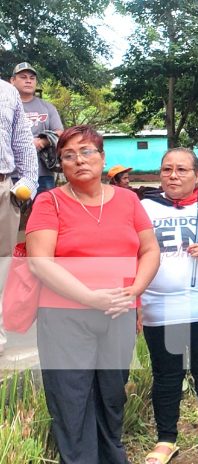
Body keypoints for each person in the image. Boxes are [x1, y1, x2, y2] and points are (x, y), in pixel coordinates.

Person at [25, 125, 160, 463]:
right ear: (61, 165)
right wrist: (90, 297)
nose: (78, 160)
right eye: (68, 155)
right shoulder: (49, 201)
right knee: (71, 399)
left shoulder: (128, 200)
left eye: (87, 152)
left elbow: (150, 250)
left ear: (102, 158)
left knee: (112, 395)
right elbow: (40, 262)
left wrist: (135, 290)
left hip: (117, 312)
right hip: (64, 317)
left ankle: (112, 456)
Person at [140, 147, 198, 463]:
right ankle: (166, 438)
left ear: (197, 175)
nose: (174, 175)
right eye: (167, 169)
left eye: (182, 169)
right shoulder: (144, 208)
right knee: (166, 375)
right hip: (160, 308)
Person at [0, 79, 37, 357]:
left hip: (2, 186)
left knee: (2, 262)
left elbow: (22, 140)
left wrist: (27, 183)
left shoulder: (7, 91)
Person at [10, 62, 64, 193]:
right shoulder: (5, 106)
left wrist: (41, 142)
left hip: (42, 173)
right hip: (10, 173)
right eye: (23, 77)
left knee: (44, 210)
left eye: (32, 78)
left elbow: (60, 132)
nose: (28, 81)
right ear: (12, 81)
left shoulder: (47, 107)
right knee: (10, 213)